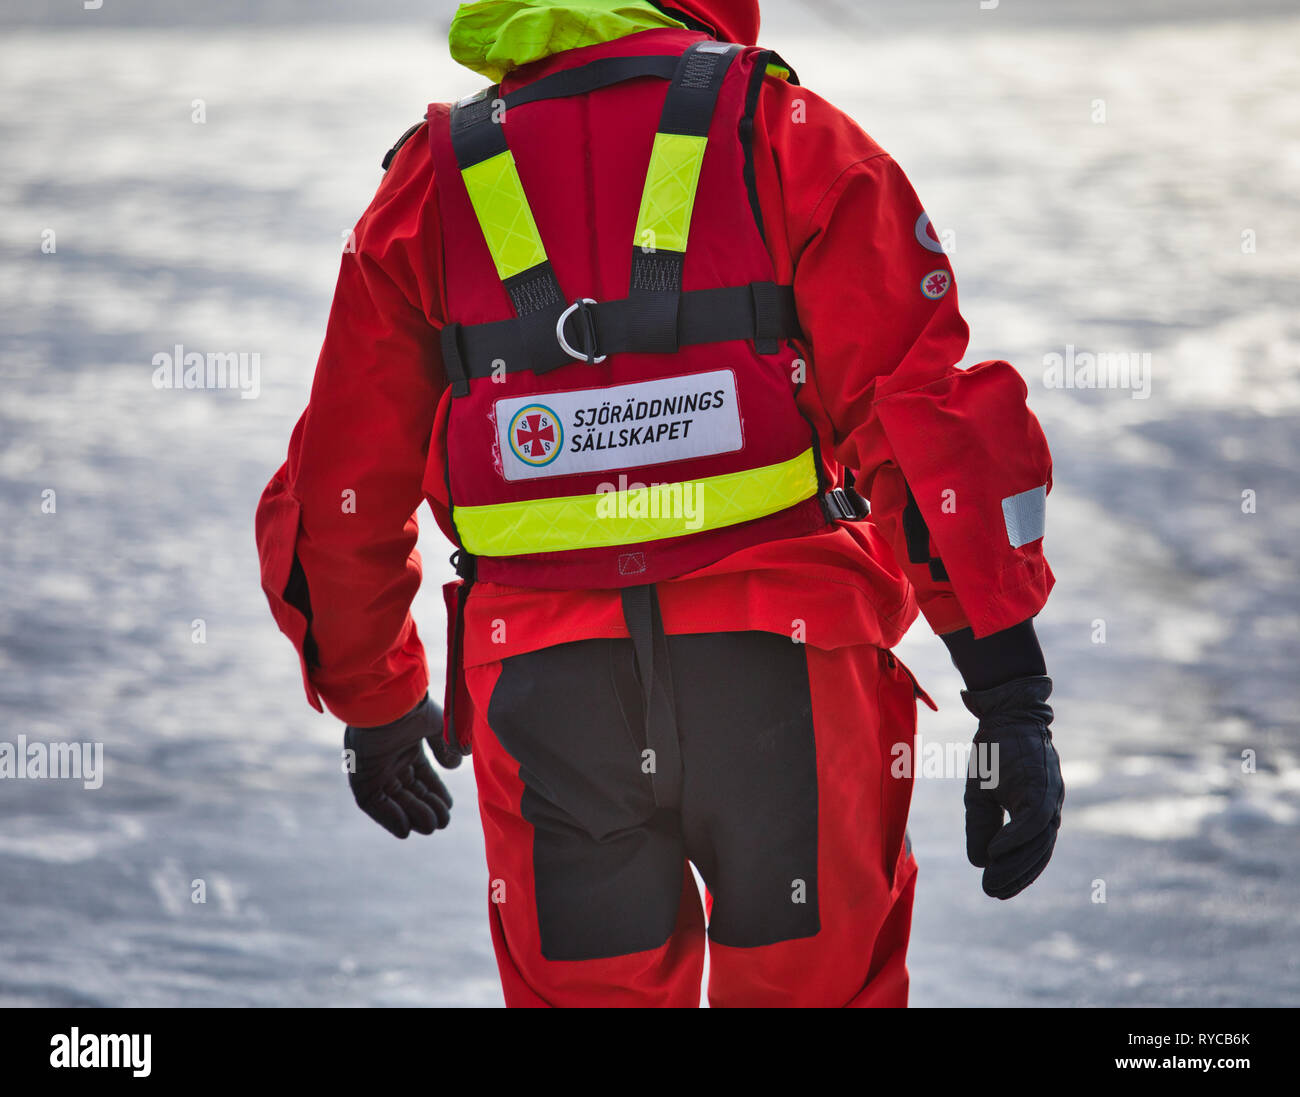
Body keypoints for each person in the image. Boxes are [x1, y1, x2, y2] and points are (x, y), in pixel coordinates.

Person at [255, 0, 1064, 1008]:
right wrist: (1007, 693)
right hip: (791, 680)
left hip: (549, 700)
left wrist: (373, 697)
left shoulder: (433, 180)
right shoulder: (786, 134)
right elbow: (928, 420)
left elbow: (343, 479)